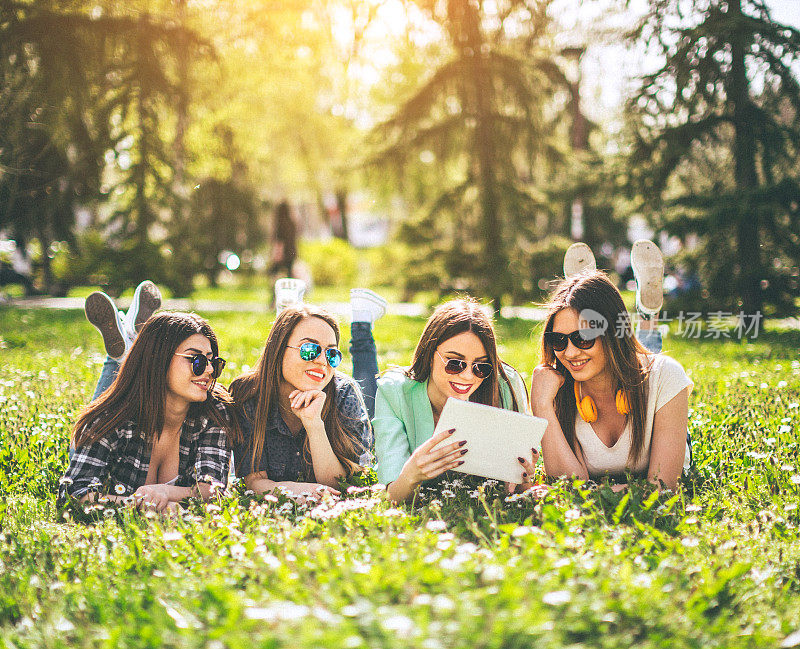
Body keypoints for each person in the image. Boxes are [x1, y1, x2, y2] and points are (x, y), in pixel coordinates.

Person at [530, 243, 692, 490]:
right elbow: (566, 483)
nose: (569, 352)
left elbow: (663, 487)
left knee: (648, 360)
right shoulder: (555, 389)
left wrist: (590, 492)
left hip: (642, 373)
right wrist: (541, 405)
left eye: (583, 337)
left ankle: (647, 314)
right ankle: (583, 291)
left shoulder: (666, 377)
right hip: (616, 354)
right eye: (558, 340)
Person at [59, 311, 239, 513]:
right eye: (196, 360)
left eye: (212, 362)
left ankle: (125, 345)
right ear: (159, 359)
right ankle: (118, 354)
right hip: (123, 410)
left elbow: (214, 489)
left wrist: (164, 492)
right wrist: (149, 507)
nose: (209, 371)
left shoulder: (214, 410)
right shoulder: (112, 420)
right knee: (92, 420)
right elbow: (74, 494)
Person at [368, 298, 534, 503]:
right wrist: (411, 475)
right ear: (430, 355)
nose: (467, 377)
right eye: (455, 363)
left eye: (481, 366)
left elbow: (521, 489)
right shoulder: (394, 392)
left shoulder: (506, 386)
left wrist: (524, 479)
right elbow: (391, 497)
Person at [228, 304, 373, 500]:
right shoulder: (248, 394)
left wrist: (314, 425)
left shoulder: (344, 393)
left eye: (331, 354)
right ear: (279, 348)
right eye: (309, 349)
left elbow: (340, 487)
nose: (322, 361)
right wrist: (295, 491)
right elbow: (254, 482)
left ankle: (363, 326)